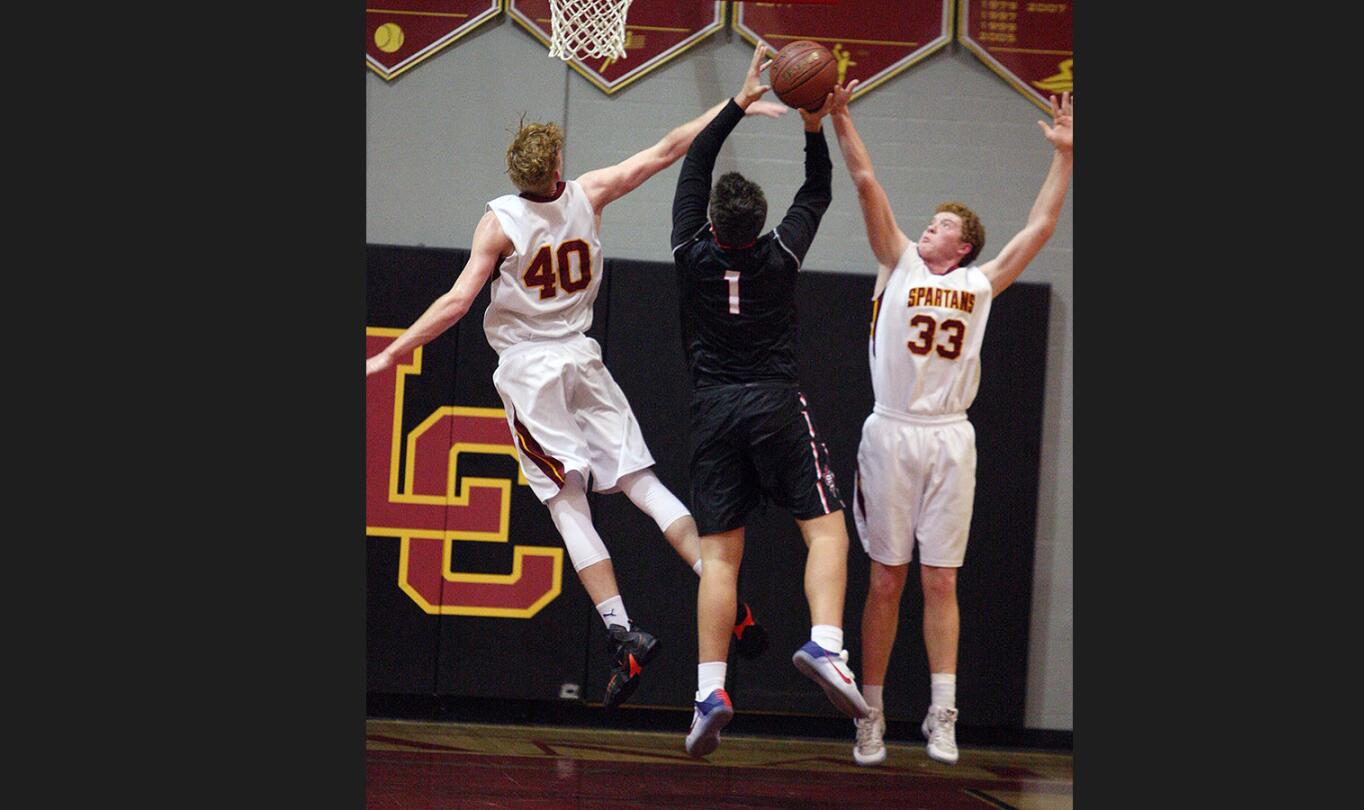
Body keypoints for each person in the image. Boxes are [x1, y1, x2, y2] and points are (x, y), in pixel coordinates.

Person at [364, 50, 786, 710]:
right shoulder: (590, 192)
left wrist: (393, 354)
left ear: (516, 174)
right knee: (644, 484)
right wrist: (734, 105)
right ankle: (718, 584)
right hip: (583, 358)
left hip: (530, 373)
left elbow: (455, 303)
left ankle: (621, 632)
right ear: (556, 168)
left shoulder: (499, 221)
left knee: (568, 504)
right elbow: (671, 147)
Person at [827, 84, 1074, 765]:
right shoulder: (898, 261)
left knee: (942, 581)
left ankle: (942, 711)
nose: (928, 228)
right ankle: (870, 713)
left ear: (962, 248)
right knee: (886, 580)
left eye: (941, 226)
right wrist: (843, 117)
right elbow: (867, 180)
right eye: (929, 222)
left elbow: (1041, 228)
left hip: (949, 437)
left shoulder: (980, 284)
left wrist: (1067, 156)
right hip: (891, 432)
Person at [670, 45, 869, 758]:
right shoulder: (780, 256)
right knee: (825, 531)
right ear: (757, 225)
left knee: (720, 559)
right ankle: (824, 645)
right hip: (774, 403)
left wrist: (739, 101)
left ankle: (710, 690)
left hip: (714, 409)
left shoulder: (689, 250)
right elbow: (816, 195)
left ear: (715, 222)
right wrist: (813, 125)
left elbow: (695, 162)